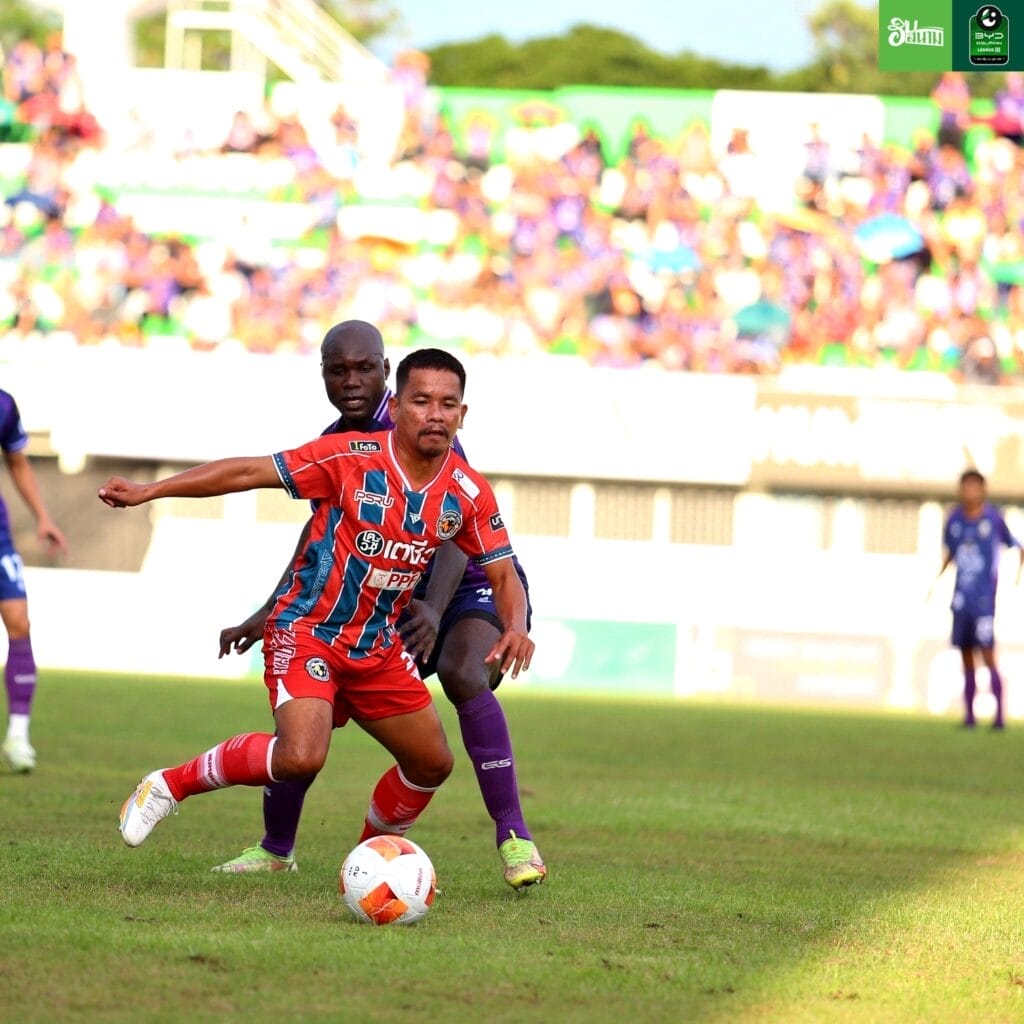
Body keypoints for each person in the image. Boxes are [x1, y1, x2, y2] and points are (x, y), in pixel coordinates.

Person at [99, 348, 534, 856]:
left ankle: (372, 859)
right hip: (309, 631)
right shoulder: (347, 457)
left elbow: (503, 572)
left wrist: (516, 626)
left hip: (376, 646)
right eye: (421, 401)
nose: (435, 415)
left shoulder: (468, 492)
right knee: (301, 755)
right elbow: (247, 473)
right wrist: (150, 490)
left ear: (463, 414)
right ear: (396, 407)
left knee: (431, 763)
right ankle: (169, 785)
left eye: (448, 404)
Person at [213, 320, 546, 888]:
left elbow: (454, 526)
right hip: (388, 600)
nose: (352, 381)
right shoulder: (336, 444)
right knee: (312, 713)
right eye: (339, 370)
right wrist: (268, 612)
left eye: (364, 369)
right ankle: (275, 848)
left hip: (465, 584)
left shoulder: (420, 418)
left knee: (463, 670)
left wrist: (434, 609)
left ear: (386, 373)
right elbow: (320, 539)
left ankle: (514, 837)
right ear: (322, 375)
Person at [0, 388, 67, 772]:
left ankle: (18, 735)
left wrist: (43, 516)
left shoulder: (4, 405)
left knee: (19, 622)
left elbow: (18, 462)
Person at [935, 469, 1023, 729]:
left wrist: (1016, 580)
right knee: (965, 655)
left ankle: (999, 717)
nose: (969, 491)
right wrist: (936, 580)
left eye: (974, 486)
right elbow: (951, 553)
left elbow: (1018, 547)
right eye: (966, 486)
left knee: (987, 653)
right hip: (961, 598)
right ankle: (970, 717)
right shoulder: (954, 519)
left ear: (983, 490)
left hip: (984, 600)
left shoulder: (993, 518)